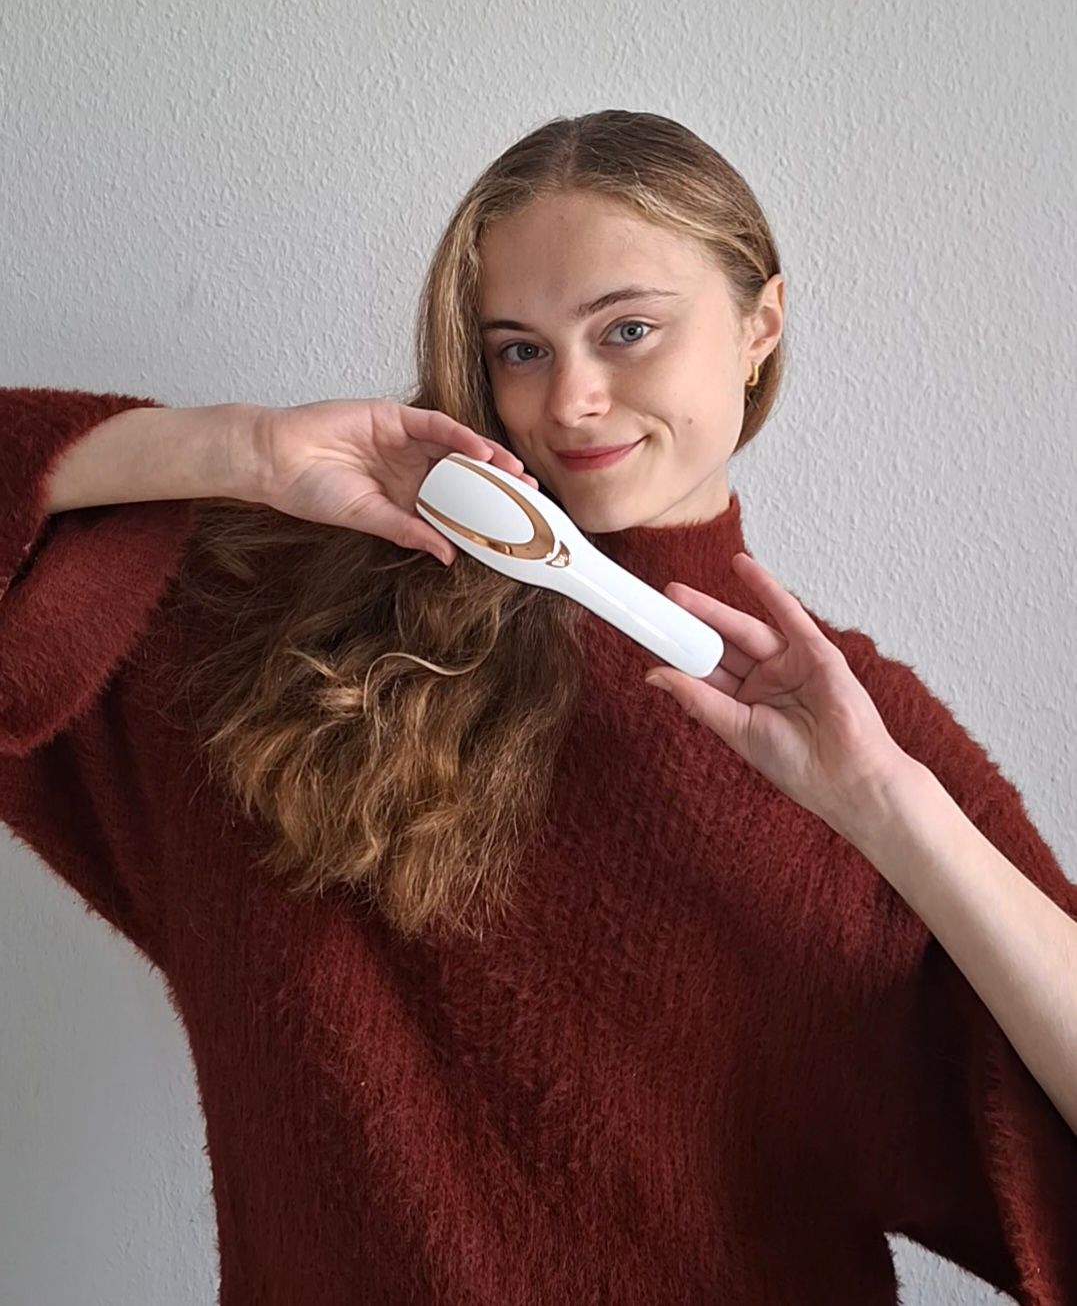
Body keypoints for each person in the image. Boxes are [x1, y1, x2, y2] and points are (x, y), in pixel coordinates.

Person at [1, 107, 1074, 1306]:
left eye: (627, 329)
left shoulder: (858, 731)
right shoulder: (278, 642)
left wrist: (889, 812)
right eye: (520, 348)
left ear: (760, 324)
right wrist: (237, 452)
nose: (571, 401)